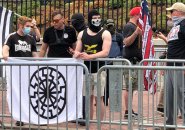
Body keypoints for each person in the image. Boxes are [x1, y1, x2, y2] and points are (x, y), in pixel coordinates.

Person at [73, 9, 111, 120]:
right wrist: (75, 53)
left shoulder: (105, 33)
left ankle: (99, 123)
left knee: (99, 98)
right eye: (94, 18)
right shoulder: (81, 34)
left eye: (98, 17)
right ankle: (89, 121)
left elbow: (105, 52)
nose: (97, 20)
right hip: (85, 70)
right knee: (88, 98)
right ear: (89, 20)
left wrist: (89, 56)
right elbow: (78, 50)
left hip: (99, 70)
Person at [2, 16, 38, 126]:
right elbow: (5, 48)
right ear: (20, 26)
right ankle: (19, 117)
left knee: (28, 94)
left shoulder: (31, 38)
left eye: (30, 27)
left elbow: (34, 54)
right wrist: (5, 55)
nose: (29, 29)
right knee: (16, 94)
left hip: (28, 71)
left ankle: (28, 116)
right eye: (27, 26)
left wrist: (38, 64)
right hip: (15, 72)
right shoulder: (12, 37)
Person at [155, 2, 185, 130]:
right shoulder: (175, 27)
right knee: (170, 97)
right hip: (171, 66)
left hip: (180, 66)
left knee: (182, 96)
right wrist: (166, 63)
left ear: (179, 12)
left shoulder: (184, 25)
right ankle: (169, 125)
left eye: (172, 11)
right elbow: (173, 46)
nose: (171, 14)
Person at [122, 6, 142, 119]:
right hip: (130, 61)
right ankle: (128, 111)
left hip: (134, 61)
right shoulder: (130, 26)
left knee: (132, 87)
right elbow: (126, 42)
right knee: (129, 87)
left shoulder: (134, 26)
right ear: (136, 15)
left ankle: (130, 110)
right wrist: (135, 33)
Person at [70, 13, 87, 126]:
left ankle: (83, 116)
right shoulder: (83, 31)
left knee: (83, 92)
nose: (72, 24)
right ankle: (80, 115)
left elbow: (81, 50)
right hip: (84, 64)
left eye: (73, 21)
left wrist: (74, 53)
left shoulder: (83, 32)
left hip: (85, 64)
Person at [103, 18, 123, 106]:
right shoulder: (103, 36)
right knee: (105, 83)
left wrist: (120, 58)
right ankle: (104, 100)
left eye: (112, 26)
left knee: (115, 82)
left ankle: (114, 101)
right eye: (109, 26)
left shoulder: (119, 36)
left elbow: (122, 48)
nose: (111, 28)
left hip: (116, 61)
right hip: (105, 62)